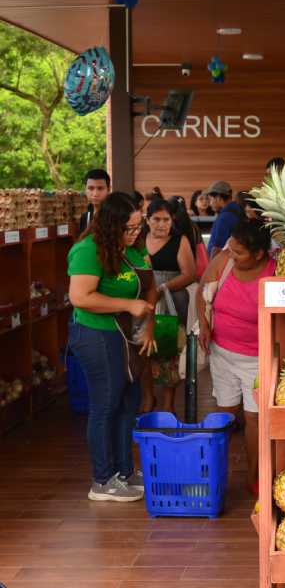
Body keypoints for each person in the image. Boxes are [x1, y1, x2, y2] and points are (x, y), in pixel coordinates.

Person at [67, 192, 156, 502]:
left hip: (120, 336)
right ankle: (102, 481)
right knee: (105, 406)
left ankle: (124, 471)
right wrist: (127, 304)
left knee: (128, 402)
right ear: (110, 225)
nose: (135, 233)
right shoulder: (88, 250)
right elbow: (80, 297)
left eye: (137, 227)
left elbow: (147, 283)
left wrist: (144, 316)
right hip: (96, 335)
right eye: (129, 228)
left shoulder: (126, 248)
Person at [197, 219, 276, 493]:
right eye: (230, 248)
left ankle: (254, 476)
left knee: (254, 418)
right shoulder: (224, 260)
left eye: (239, 252)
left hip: (258, 358)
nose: (231, 254)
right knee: (226, 413)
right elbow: (202, 293)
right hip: (222, 354)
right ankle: (217, 473)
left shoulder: (274, 271)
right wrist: (204, 324)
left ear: (258, 254)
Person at [143, 199, 196, 413]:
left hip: (172, 301)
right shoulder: (137, 240)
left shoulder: (179, 240)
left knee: (168, 351)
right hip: (143, 302)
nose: (161, 224)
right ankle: (148, 398)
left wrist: (163, 287)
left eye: (166, 219)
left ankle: (168, 403)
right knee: (143, 351)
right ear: (147, 220)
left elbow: (190, 274)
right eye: (156, 219)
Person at [205, 181, 243, 257]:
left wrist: (211, 267)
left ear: (218, 198)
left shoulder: (225, 217)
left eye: (211, 199)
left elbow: (218, 248)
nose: (210, 203)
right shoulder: (237, 210)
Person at [78, 169, 111, 233]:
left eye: (100, 188)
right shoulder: (85, 217)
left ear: (109, 189)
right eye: (91, 188)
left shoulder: (115, 215)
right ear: (85, 189)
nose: (95, 194)